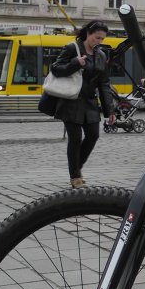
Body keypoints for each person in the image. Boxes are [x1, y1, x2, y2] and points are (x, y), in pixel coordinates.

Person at [46, 20, 116, 187]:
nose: (99, 42)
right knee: (75, 138)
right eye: (97, 37)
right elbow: (55, 68)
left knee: (93, 135)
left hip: (90, 101)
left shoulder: (101, 55)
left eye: (102, 39)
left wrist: (110, 111)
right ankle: (75, 176)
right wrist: (75, 63)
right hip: (71, 100)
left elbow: (104, 84)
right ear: (88, 34)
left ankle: (77, 167)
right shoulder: (73, 48)